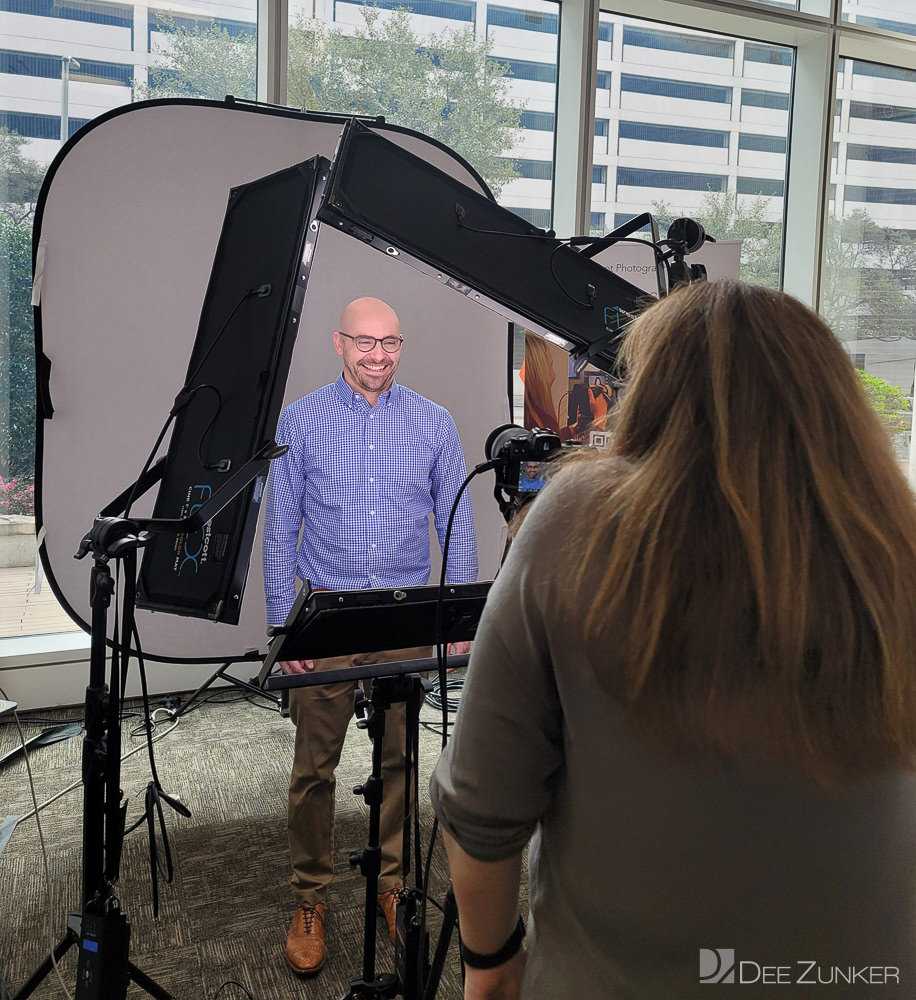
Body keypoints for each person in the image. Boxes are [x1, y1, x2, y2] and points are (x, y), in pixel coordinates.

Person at [430, 279, 916, 999]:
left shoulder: (575, 520)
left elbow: (479, 811)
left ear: (653, 393)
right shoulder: (896, 542)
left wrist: (490, 964)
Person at [263, 296, 478, 977]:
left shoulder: (434, 423)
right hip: (325, 617)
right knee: (313, 771)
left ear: (400, 346)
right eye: (364, 342)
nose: (377, 355)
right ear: (338, 343)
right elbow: (279, 529)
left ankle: (391, 886)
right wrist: (281, 627)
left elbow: (457, 524)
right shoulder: (300, 420)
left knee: (398, 763)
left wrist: (455, 623)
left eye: (389, 343)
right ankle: (310, 898)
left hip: (403, 615)